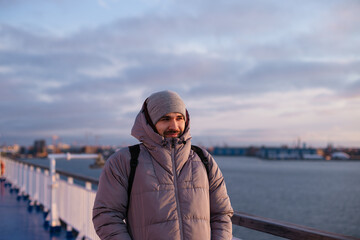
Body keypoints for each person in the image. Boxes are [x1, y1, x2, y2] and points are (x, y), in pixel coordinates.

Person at [93, 90, 233, 240]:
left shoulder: (203, 159)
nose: (174, 125)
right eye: (165, 119)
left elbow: (222, 214)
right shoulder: (124, 161)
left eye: (179, 118)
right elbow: (106, 216)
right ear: (149, 122)